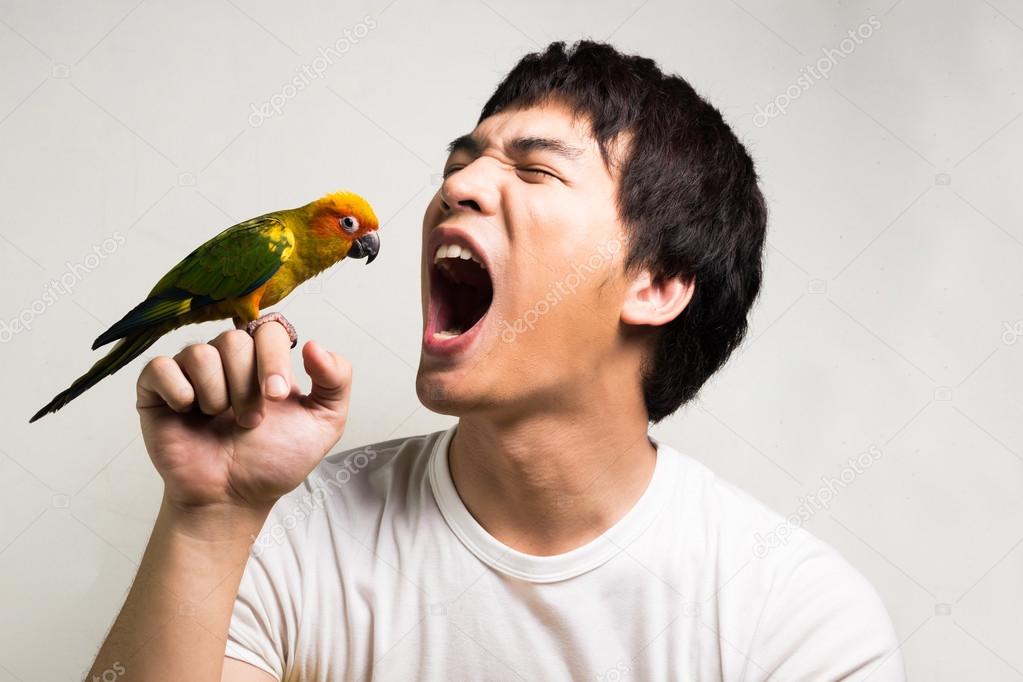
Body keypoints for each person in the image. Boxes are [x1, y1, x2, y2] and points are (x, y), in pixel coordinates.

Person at [87, 40, 905, 681]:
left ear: (654, 284)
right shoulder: (282, 532)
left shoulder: (795, 617)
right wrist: (209, 522)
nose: (459, 187)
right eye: (458, 164)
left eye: (534, 168)